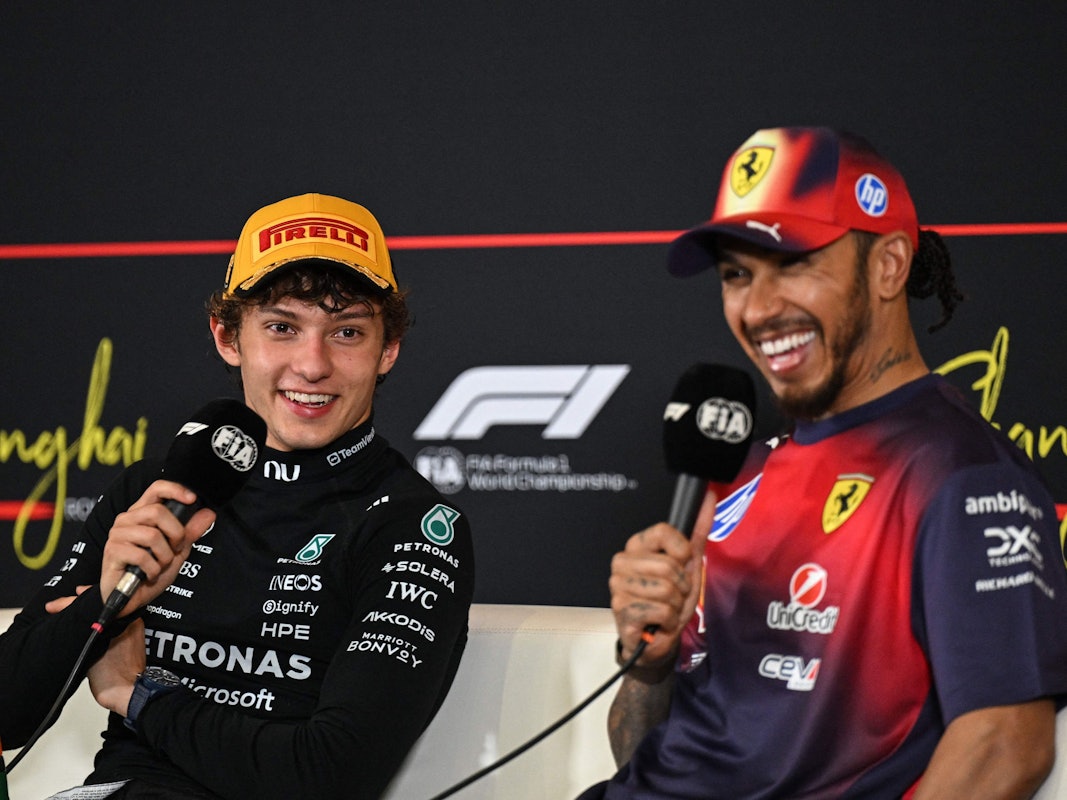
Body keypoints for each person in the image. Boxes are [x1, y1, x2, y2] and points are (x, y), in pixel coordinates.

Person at [580, 127, 1067, 799]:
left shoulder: (963, 476)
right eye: (736, 275)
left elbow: (1005, 747)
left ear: (888, 266)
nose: (758, 308)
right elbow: (649, 757)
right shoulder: (736, 474)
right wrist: (652, 662)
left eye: (795, 263)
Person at [0, 193, 475, 799]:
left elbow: (331, 775)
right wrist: (106, 603)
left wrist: (136, 696)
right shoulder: (155, 491)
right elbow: (7, 713)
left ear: (387, 351)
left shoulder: (412, 524)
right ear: (228, 338)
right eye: (282, 327)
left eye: (347, 332)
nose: (312, 364)